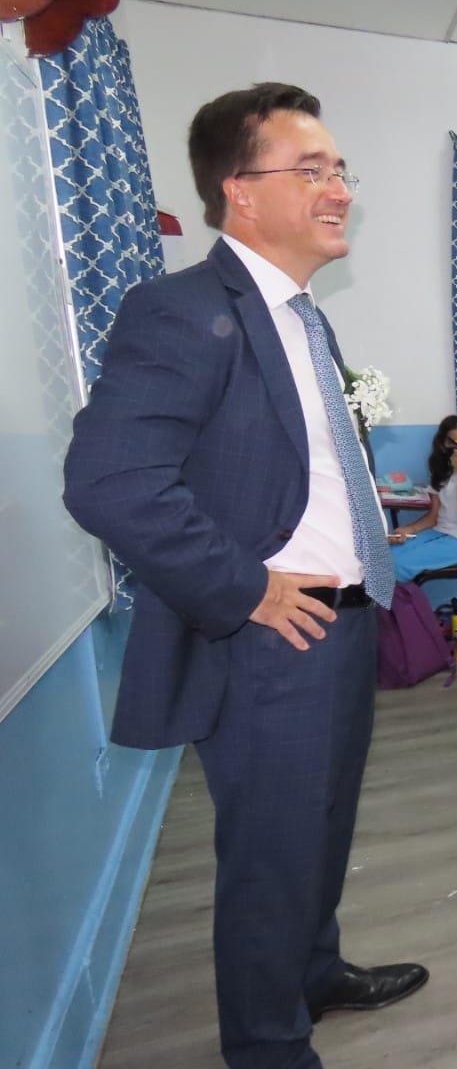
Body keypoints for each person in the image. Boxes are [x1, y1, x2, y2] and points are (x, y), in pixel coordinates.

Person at [62, 84, 425, 1069]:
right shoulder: (181, 310)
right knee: (270, 857)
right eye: (311, 170)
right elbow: (109, 481)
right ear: (241, 191)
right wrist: (247, 589)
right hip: (272, 640)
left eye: (340, 170)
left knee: (321, 828)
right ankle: (269, 1047)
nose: (339, 189)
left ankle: (314, 973)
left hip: (342, 622)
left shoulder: (304, 319)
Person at [388, 415, 457, 581]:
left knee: (398, 564)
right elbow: (434, 516)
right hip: (439, 532)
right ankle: (386, 596)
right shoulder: (444, 471)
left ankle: (398, 598)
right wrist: (409, 529)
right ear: (442, 445)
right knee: (386, 556)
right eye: (452, 443)